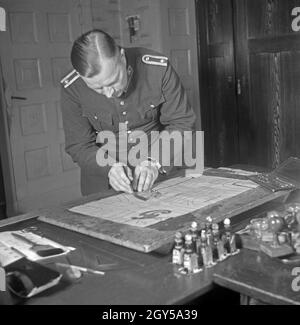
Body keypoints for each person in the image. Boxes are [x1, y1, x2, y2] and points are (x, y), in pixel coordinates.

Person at [60, 29, 196, 196]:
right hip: (103, 184)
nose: (109, 93)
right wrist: (109, 168)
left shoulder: (158, 70)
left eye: (113, 81)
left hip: (160, 173)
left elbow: (181, 122)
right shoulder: (72, 88)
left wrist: (154, 162)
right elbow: (79, 145)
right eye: (97, 88)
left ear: (122, 57)